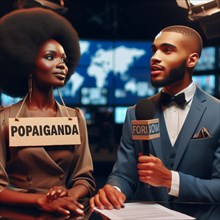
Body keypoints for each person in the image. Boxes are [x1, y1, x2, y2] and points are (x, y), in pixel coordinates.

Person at [90, 25, 220, 210]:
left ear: (192, 60)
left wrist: (170, 180)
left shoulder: (217, 113)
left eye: (167, 50)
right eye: (154, 50)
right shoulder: (135, 113)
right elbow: (125, 175)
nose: (154, 58)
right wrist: (114, 189)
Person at [0, 8, 96, 216]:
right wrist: (40, 200)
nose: (61, 65)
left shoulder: (74, 117)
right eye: (50, 57)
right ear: (27, 63)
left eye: (63, 59)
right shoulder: (4, 119)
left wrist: (70, 194)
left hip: (66, 212)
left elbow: (85, 179)